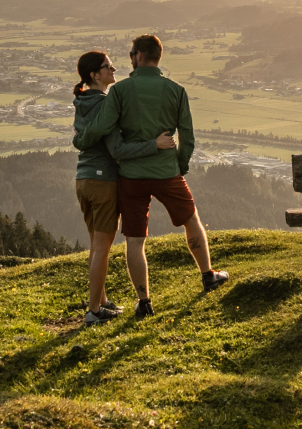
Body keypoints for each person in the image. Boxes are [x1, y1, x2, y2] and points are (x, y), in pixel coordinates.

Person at [73, 33, 227, 316]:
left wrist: (80, 141)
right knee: (191, 219)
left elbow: (101, 126)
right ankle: (208, 275)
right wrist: (179, 165)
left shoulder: (120, 92)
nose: (127, 61)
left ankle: (144, 302)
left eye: (131, 54)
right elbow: (188, 135)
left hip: (131, 176)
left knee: (134, 239)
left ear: (140, 57)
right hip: (167, 170)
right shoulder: (176, 90)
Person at [71, 50, 176, 324]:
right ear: (95, 75)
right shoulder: (105, 105)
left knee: (96, 245)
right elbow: (117, 149)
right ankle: (94, 311)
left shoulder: (82, 101)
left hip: (83, 179)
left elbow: (84, 139)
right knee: (103, 248)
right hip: (103, 179)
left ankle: (102, 301)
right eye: (108, 66)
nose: (113, 68)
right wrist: (154, 144)